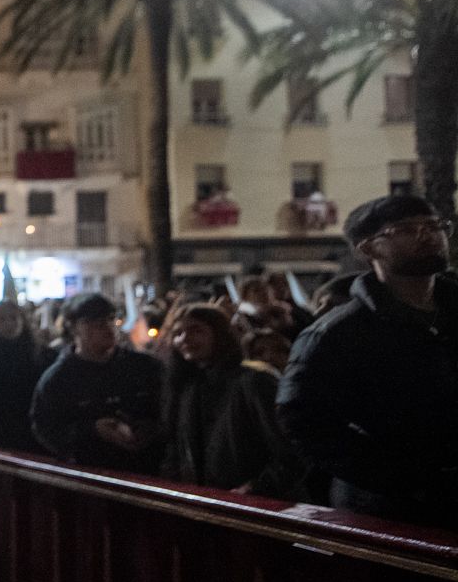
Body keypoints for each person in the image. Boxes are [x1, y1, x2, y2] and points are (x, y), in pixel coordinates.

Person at [278, 195, 458, 527]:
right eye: (407, 229)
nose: (428, 235)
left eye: (434, 226)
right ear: (368, 248)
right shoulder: (336, 334)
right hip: (388, 511)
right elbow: (303, 420)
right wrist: (397, 477)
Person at [162, 304, 307, 499]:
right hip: (210, 505)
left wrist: (255, 488)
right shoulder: (187, 389)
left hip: (259, 505)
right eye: (178, 333)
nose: (184, 339)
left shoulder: (254, 382)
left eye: (196, 330)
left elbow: (292, 450)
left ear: (219, 334)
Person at [31, 292, 164, 473]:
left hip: (146, 470)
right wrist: (92, 430)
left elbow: (168, 411)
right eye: (94, 323)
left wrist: (150, 429)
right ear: (74, 328)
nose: (107, 327)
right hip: (90, 472)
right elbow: (46, 429)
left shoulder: (145, 367)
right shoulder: (58, 378)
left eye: (110, 319)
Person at [0, 302, 51, 453]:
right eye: (2, 319)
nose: (9, 323)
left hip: (31, 427)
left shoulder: (39, 352)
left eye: (13, 318)